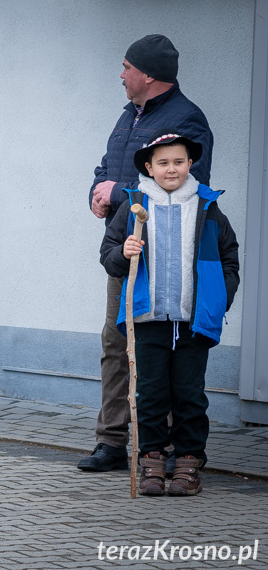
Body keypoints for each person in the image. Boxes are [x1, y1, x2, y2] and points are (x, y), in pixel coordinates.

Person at [81, 34, 214, 472]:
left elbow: (185, 186)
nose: (120, 75)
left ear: (148, 75)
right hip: (127, 252)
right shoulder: (128, 117)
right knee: (115, 343)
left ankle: (166, 449)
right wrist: (98, 194)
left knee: (163, 350)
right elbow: (106, 167)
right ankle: (112, 441)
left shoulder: (188, 120)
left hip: (166, 260)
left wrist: (116, 192)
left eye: (126, 67)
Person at [100, 129, 239, 495]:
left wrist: (218, 301)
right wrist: (124, 251)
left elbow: (229, 259)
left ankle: (189, 462)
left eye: (179, 161)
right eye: (162, 163)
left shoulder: (207, 207)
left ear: (190, 163)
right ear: (149, 166)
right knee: (151, 393)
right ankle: (152, 460)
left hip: (193, 320)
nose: (171, 169)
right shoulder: (134, 205)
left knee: (189, 394)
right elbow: (109, 255)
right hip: (148, 320)